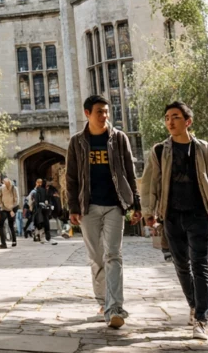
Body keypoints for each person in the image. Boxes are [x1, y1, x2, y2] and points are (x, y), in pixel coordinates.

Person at [142, 101, 208, 341]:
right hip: (171, 216)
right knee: (181, 265)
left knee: (200, 265)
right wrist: (149, 212)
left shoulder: (204, 149)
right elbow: (150, 183)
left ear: (188, 121)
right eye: (167, 117)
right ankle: (194, 304)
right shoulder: (159, 151)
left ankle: (201, 319)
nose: (170, 121)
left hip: (200, 215)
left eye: (176, 117)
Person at [66, 95, 142, 329]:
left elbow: (129, 171)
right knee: (97, 258)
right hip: (88, 206)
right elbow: (71, 176)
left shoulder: (119, 139)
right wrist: (73, 208)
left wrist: (135, 203)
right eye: (99, 111)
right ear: (87, 113)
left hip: (114, 205)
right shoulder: (77, 142)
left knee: (114, 255)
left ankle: (115, 308)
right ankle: (103, 301)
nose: (105, 116)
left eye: (107, 112)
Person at [0, 178, 19, 248]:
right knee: (1, 225)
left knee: (11, 225)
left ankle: (13, 241)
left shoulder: (14, 188)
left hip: (11, 209)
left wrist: (12, 209)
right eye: (5, 183)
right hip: (4, 209)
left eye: (7, 183)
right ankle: (4, 243)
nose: (6, 184)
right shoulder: (1, 188)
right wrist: (1, 205)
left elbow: (16, 199)